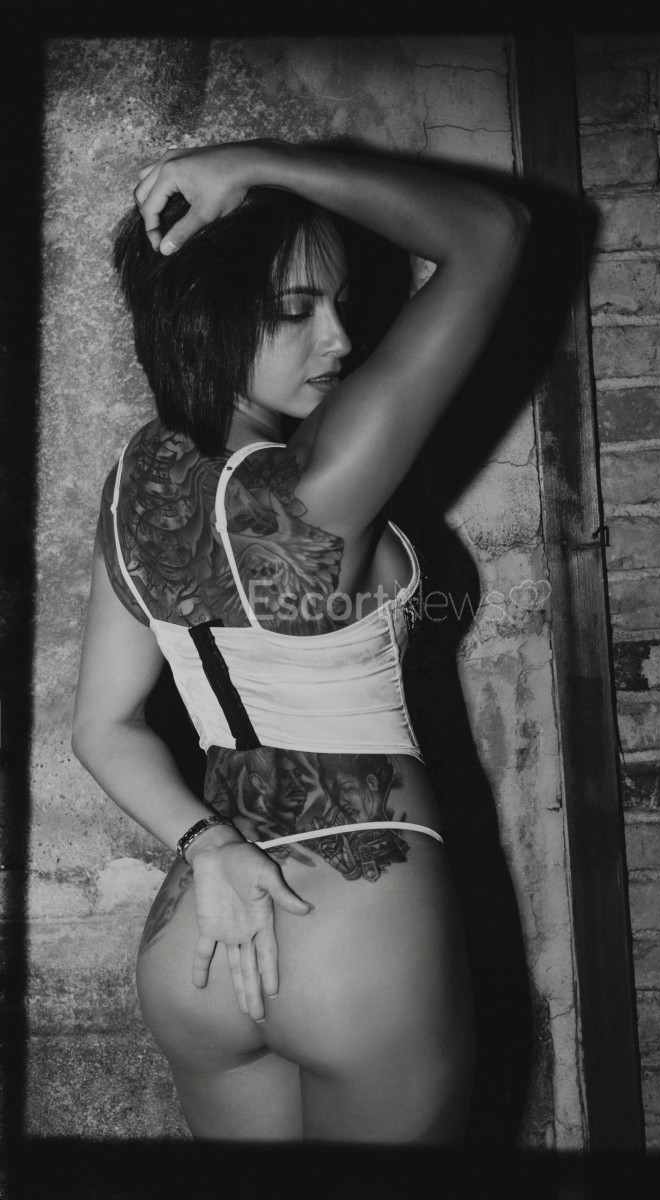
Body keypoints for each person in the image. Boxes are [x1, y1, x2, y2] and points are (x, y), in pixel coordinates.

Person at [71, 138, 529, 1144]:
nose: (338, 337)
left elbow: (102, 729)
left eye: (339, 303)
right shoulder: (322, 483)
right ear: (207, 313)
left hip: (203, 933)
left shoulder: (135, 482)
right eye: (295, 309)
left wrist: (209, 846)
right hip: (355, 935)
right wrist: (256, 162)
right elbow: (491, 232)